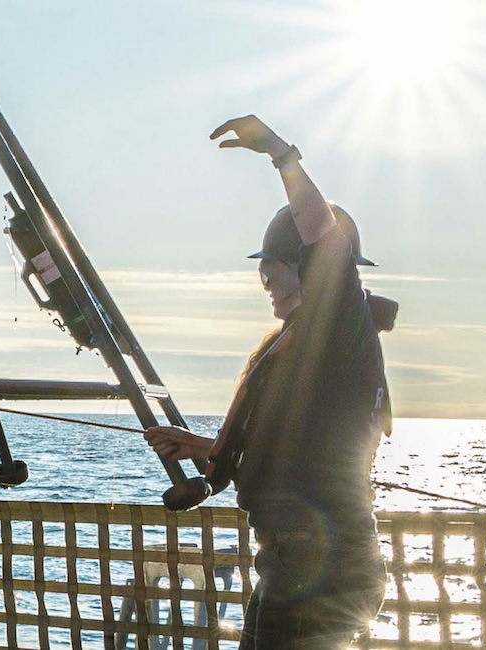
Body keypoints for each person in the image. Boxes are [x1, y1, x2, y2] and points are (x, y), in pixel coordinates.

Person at [145, 116, 394, 649]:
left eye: (273, 266)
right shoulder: (303, 348)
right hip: (290, 561)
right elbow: (296, 452)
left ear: (305, 269)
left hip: (324, 569)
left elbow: (324, 243)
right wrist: (205, 451)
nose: (263, 279)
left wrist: (283, 156)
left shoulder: (341, 326)